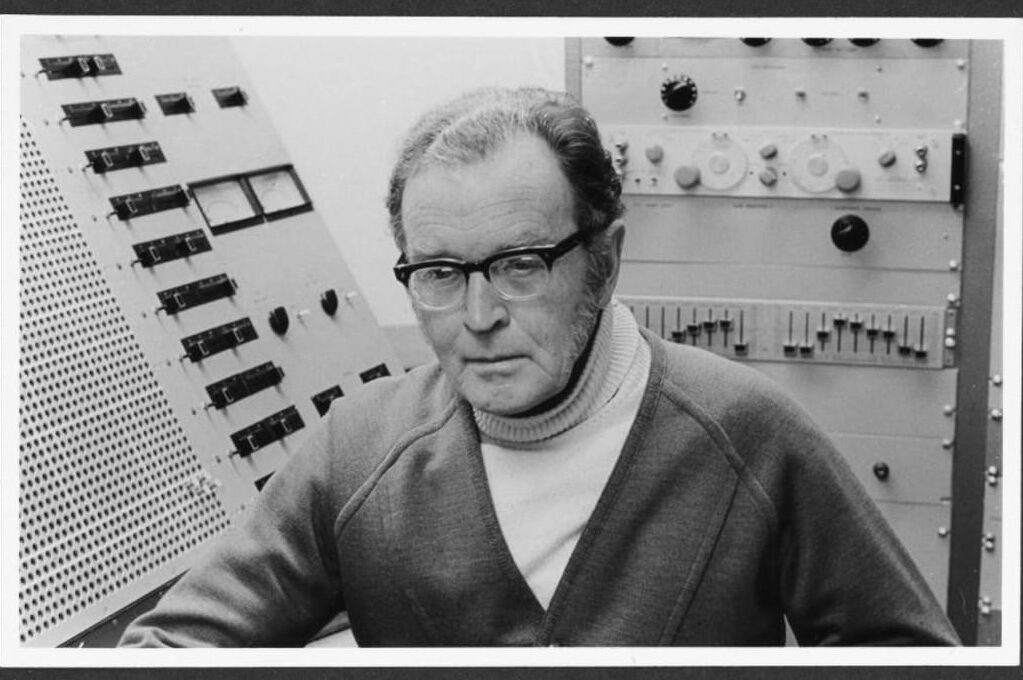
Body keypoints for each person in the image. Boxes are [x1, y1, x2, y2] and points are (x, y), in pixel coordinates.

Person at [119, 87, 960, 647]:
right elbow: (168, 649)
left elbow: (908, 654)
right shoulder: (357, 452)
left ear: (604, 261)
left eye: (520, 265)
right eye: (438, 274)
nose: (477, 319)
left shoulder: (748, 432)